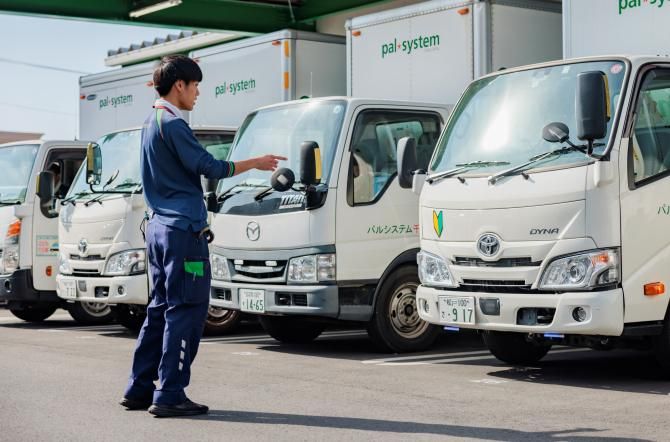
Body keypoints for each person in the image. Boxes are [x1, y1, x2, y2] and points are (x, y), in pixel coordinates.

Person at [120, 54, 286, 418]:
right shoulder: (174, 125)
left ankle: (139, 387)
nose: (197, 93)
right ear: (179, 85)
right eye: (195, 86)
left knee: (160, 308)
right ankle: (170, 393)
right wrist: (255, 163)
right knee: (187, 310)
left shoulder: (151, 122)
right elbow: (210, 167)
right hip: (183, 234)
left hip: (158, 230)